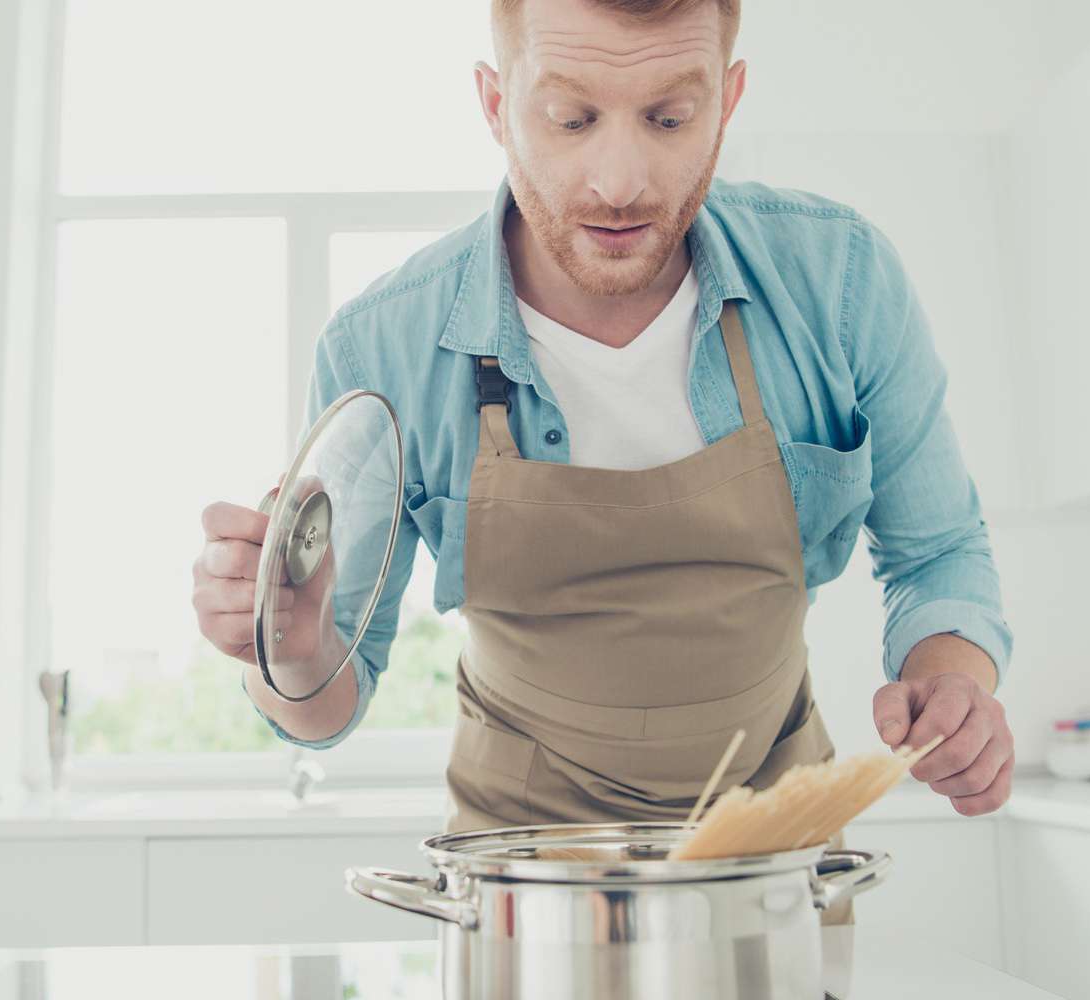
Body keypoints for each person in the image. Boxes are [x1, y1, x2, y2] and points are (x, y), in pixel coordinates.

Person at [192, 0, 1014, 839]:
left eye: (668, 118)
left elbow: (940, 553)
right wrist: (290, 651)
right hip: (520, 877)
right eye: (570, 118)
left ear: (726, 102)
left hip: (777, 856)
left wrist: (953, 683)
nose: (620, 183)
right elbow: (327, 705)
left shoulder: (840, 283)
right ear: (495, 105)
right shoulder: (380, 349)